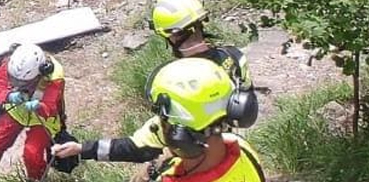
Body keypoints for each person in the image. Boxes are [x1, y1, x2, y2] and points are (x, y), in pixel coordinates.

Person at [46, 0, 258, 172]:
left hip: (194, 164)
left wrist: (83, 149)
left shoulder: (179, 86)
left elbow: (140, 146)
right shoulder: (236, 58)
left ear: (171, 36)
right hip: (233, 153)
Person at [53, 58, 266, 182]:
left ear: (180, 136)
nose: (157, 124)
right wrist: (82, 148)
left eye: (164, 119)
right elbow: (138, 146)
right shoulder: (241, 148)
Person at [0, 43, 66, 181]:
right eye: (15, 80)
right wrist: (8, 96)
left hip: (43, 118)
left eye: (23, 82)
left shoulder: (54, 77)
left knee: (32, 154)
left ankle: (36, 179)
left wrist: (39, 106)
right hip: (16, 111)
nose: (18, 85)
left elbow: (51, 106)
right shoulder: (11, 64)